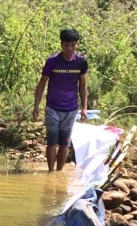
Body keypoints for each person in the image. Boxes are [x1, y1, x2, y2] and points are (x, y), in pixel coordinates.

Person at [33, 28, 89, 172]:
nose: (69, 48)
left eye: (72, 45)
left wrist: (84, 108)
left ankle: (59, 173)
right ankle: (51, 173)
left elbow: (83, 86)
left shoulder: (81, 62)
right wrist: (36, 106)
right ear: (61, 45)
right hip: (52, 108)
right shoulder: (52, 62)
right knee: (52, 143)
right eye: (66, 45)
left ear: (76, 44)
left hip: (71, 109)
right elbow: (42, 83)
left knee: (65, 143)